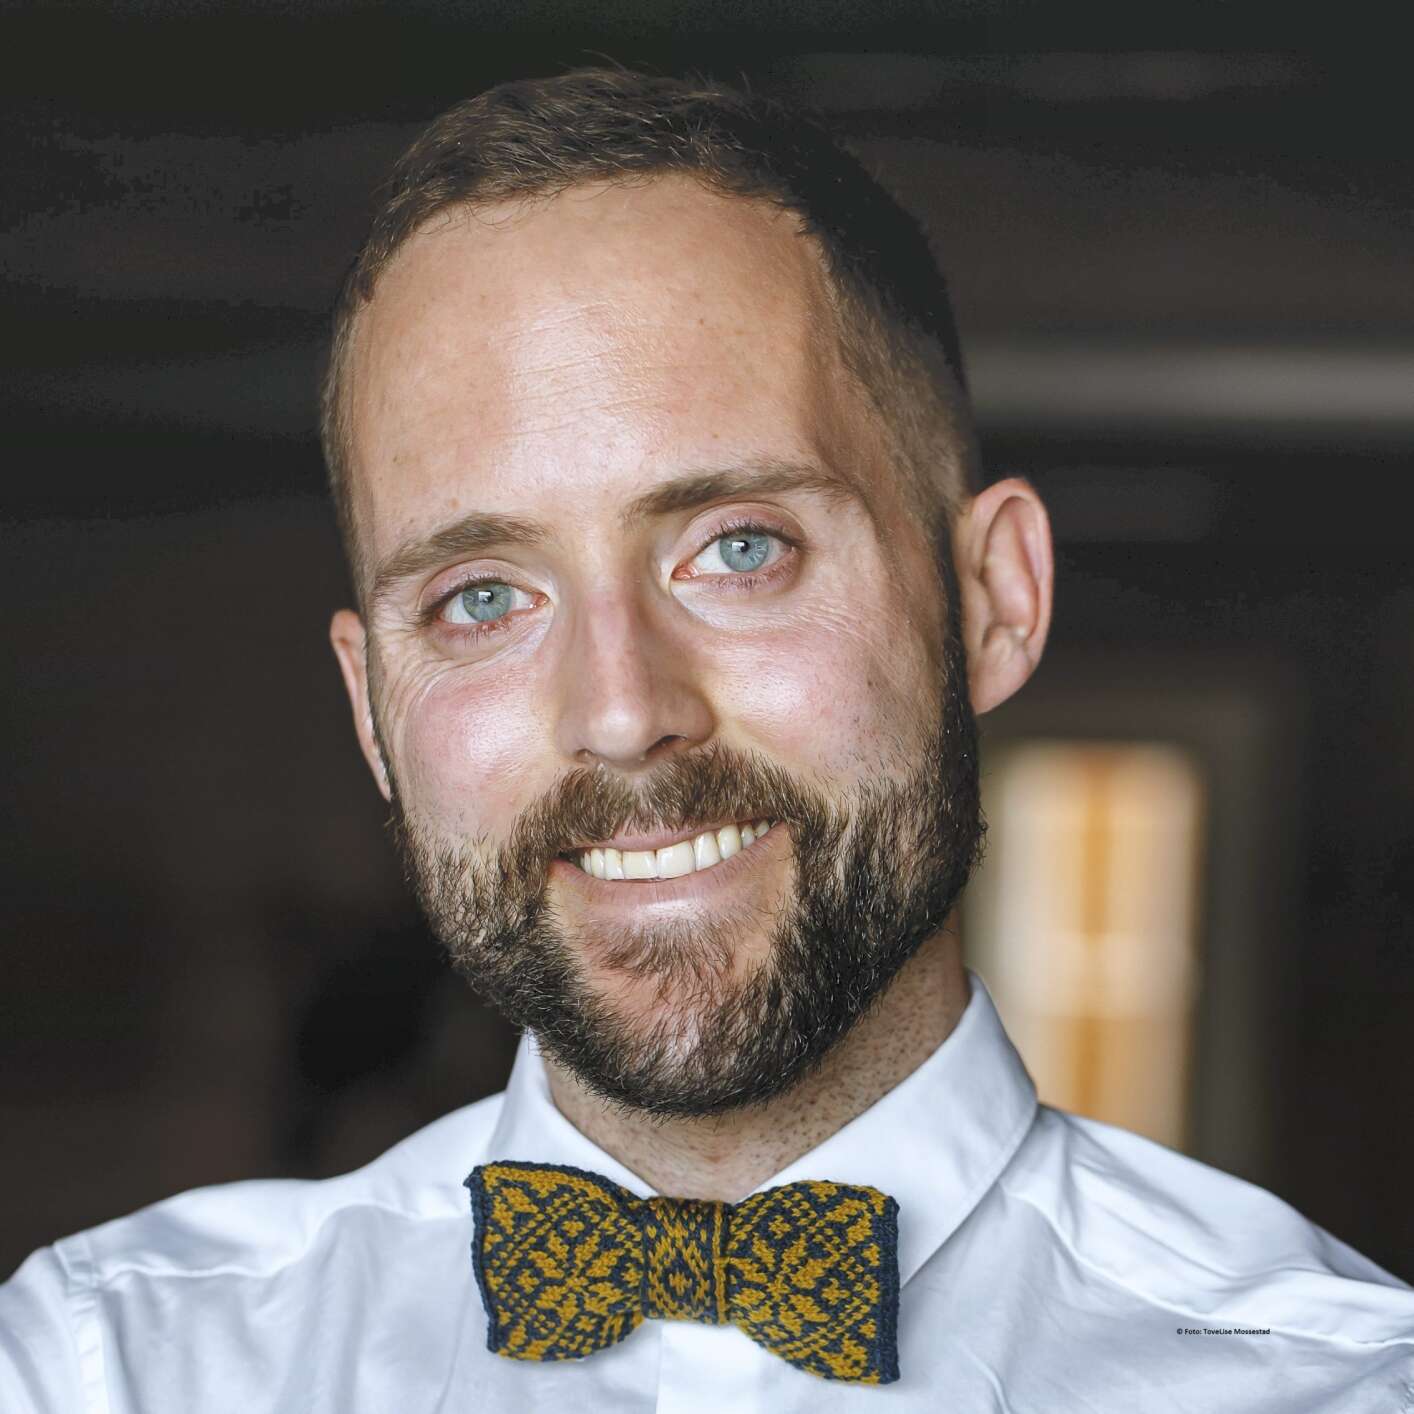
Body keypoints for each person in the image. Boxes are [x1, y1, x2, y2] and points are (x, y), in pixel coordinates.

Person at [2, 67, 1410, 1413]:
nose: (621, 712)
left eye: (738, 548)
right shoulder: (99, 1369)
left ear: (992, 599)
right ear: (372, 708)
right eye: (482, 597)